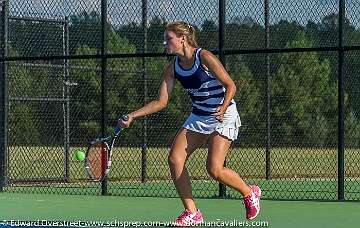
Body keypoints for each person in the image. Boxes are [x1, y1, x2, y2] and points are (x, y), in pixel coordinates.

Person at [120, 21, 261, 226]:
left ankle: (250, 193)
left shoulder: (204, 57)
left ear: (182, 39)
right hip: (199, 116)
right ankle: (192, 212)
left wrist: (222, 107)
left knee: (214, 169)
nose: (165, 43)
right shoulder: (172, 68)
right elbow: (161, 102)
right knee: (175, 159)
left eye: (169, 39)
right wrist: (132, 115)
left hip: (224, 113)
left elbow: (230, 85)